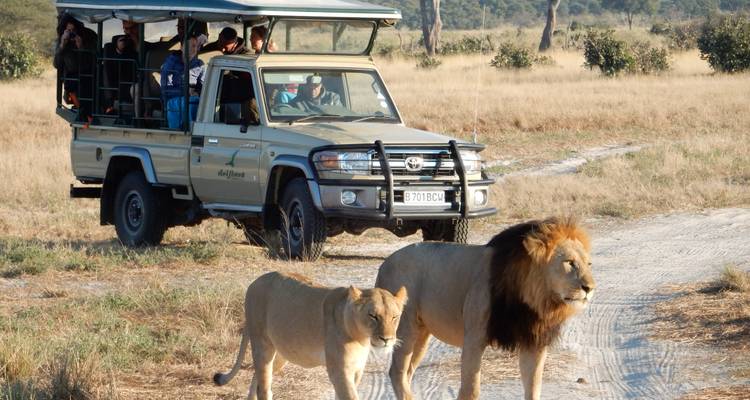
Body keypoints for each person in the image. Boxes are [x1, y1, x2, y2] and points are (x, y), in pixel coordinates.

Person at [54, 14, 97, 123]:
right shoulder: (62, 41)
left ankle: (86, 112)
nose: (71, 33)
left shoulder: (88, 38)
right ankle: (81, 110)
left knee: (86, 82)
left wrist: (81, 47)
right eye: (69, 30)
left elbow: (92, 60)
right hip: (71, 75)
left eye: (73, 30)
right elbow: (56, 64)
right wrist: (62, 46)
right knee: (72, 83)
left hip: (87, 73)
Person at [161, 32, 207, 129]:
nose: (192, 49)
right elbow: (165, 89)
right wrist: (185, 92)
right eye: (189, 46)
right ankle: (190, 129)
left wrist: (196, 92)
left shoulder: (199, 64)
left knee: (203, 103)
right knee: (187, 103)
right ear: (182, 47)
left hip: (193, 98)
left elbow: (203, 87)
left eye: (194, 46)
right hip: (173, 100)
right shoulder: (170, 63)